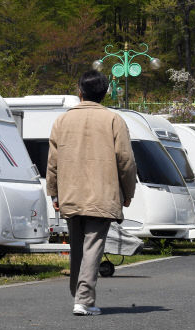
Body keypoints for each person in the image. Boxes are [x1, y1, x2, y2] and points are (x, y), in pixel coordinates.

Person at [46, 70, 137, 316]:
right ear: (104, 93)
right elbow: (126, 161)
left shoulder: (62, 121)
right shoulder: (113, 120)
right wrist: (128, 191)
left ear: (80, 91)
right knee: (93, 246)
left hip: (71, 192)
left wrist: (53, 193)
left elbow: (53, 161)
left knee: (77, 247)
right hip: (102, 193)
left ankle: (78, 296)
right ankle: (83, 299)